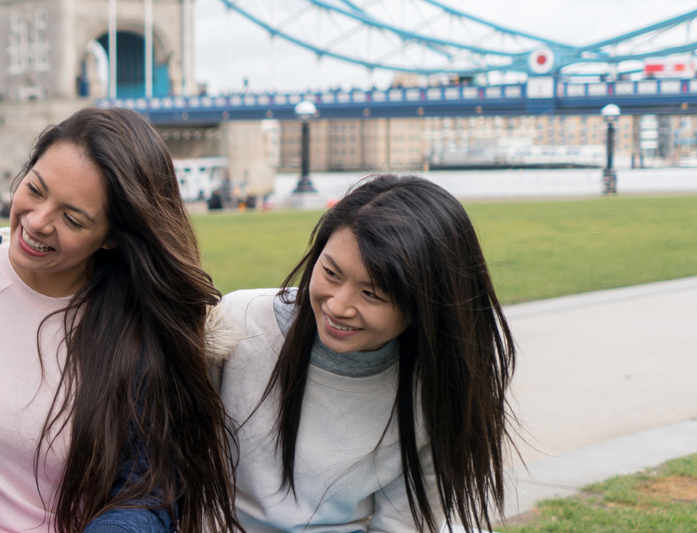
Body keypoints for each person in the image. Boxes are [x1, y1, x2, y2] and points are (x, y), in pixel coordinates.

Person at [0, 107, 240, 533]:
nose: (37, 221)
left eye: (72, 218)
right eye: (34, 189)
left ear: (113, 237)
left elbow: (147, 493)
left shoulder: (142, 330)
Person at [216, 175, 515, 533]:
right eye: (330, 272)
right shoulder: (238, 324)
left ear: (425, 306)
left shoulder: (435, 388)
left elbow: (402, 525)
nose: (338, 306)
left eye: (372, 294)